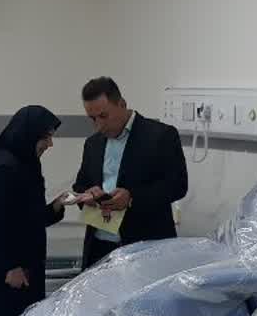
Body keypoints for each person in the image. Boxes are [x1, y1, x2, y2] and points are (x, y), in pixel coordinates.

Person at [73, 76, 188, 270]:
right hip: (99, 247)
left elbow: (177, 186)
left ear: (122, 104)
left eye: (103, 116)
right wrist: (88, 195)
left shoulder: (160, 136)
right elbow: (80, 184)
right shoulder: (93, 143)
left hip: (144, 249)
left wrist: (132, 198)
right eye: (92, 119)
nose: (98, 125)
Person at [0, 105, 65, 316]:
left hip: (24, 268)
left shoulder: (26, 164)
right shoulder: (4, 168)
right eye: (46, 137)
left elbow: (27, 218)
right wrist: (11, 266)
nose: (50, 144)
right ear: (29, 134)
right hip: (6, 271)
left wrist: (57, 206)